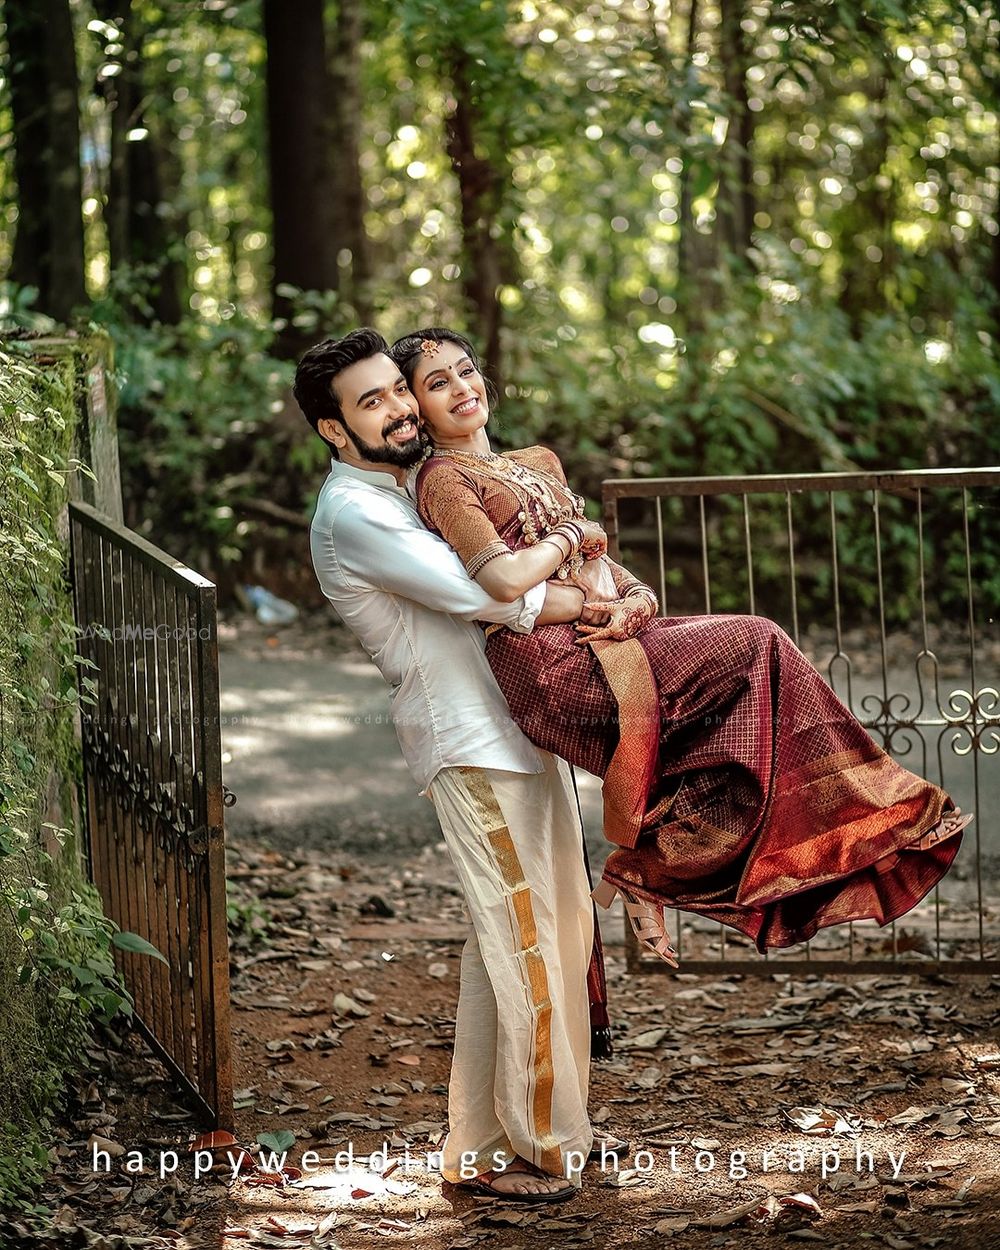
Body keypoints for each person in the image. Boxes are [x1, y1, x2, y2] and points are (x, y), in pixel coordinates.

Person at [389, 326, 971, 965]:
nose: (461, 389)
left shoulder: (537, 462)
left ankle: (658, 863)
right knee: (756, 642)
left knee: (744, 710)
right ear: (417, 407)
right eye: (436, 383)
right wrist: (572, 548)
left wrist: (635, 598)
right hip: (551, 659)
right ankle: (867, 815)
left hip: (614, 627)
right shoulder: (442, 481)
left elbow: (602, 560)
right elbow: (500, 580)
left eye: (465, 372)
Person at [294, 328, 628, 1205]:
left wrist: (587, 584)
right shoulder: (355, 514)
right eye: (371, 402)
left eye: (396, 391)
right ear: (333, 430)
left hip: (521, 729)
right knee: (529, 947)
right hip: (472, 747)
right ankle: (542, 1148)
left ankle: (478, 1149)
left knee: (532, 941)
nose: (400, 407)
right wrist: (581, 570)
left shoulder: (407, 487)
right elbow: (490, 593)